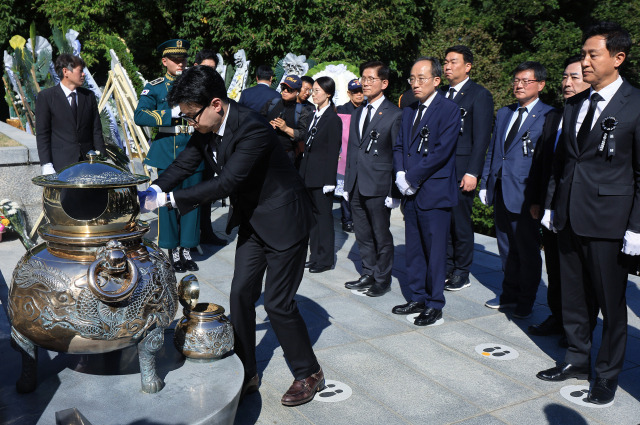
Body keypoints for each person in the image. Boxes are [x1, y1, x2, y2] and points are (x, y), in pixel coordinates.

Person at [138, 66, 324, 406]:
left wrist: (170, 199)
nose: (190, 123)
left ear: (216, 104)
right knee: (240, 294)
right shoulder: (206, 126)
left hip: (285, 220)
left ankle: (309, 372)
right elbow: (185, 162)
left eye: (192, 116)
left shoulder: (253, 128)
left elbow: (227, 183)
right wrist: (154, 188)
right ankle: (247, 370)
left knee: (278, 304)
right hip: (255, 220)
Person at [537, 22, 640, 405]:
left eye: (591, 55)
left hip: (610, 221)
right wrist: (550, 205)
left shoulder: (635, 104)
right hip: (567, 215)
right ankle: (577, 360)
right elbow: (562, 162)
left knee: (611, 306)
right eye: (583, 54)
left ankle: (607, 376)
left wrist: (636, 228)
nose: (584, 62)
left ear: (618, 58)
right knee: (574, 298)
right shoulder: (575, 103)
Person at [479, 61, 553, 319]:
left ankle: (526, 300)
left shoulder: (548, 116)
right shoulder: (504, 113)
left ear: (540, 85)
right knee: (506, 247)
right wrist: (486, 182)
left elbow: (546, 164)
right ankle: (508, 295)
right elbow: (494, 152)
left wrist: (539, 198)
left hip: (526, 196)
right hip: (501, 189)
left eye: (526, 81)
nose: (519, 85)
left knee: (527, 250)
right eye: (516, 81)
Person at [526, 55, 590, 344]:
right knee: (553, 264)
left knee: (579, 274)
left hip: (582, 207)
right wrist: (538, 200)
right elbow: (543, 162)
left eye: (574, 77)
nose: (567, 83)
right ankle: (557, 316)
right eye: (564, 77)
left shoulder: (595, 115)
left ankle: (578, 329)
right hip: (551, 205)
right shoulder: (555, 115)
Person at [392, 57, 460, 325]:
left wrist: (412, 177)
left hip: (434, 190)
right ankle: (417, 296)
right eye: (412, 78)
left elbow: (442, 151)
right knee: (415, 249)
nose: (415, 84)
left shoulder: (449, 109)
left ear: (436, 80)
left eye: (421, 78)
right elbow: (399, 146)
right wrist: (399, 174)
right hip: (410, 192)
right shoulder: (409, 109)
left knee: (434, 251)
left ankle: (434, 303)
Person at [134, 39, 201, 273]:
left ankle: (187, 249)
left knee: (192, 201)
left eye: (183, 58)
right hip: (167, 152)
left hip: (194, 147)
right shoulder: (156, 86)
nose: (180, 62)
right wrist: (169, 113)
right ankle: (172, 250)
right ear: (165, 61)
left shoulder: (195, 83)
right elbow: (139, 115)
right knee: (167, 203)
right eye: (175, 59)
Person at [343, 61, 402, 297]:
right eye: (363, 78)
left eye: (370, 79)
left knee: (381, 234)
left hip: (378, 184)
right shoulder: (358, 112)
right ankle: (368, 271)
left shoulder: (394, 114)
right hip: (356, 182)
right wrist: (347, 183)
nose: (364, 83)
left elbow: (397, 153)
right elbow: (351, 150)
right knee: (362, 233)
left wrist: (393, 191)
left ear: (384, 83)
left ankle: (382, 277)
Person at [440, 45, 494, 291]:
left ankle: (462, 270)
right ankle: (447, 265)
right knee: (443, 219)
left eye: (453, 62)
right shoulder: (440, 94)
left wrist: (473, 172)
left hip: (462, 169)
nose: (447, 67)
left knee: (460, 221)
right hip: (439, 169)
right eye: (445, 62)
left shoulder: (478, 94)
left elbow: (482, 137)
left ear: (468, 66)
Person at [299, 76, 342, 273]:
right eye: (312, 90)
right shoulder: (313, 115)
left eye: (317, 91)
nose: (312, 94)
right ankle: (314, 255)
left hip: (322, 177)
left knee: (323, 219)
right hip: (308, 174)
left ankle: (325, 259)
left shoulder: (333, 119)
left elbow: (333, 151)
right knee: (312, 220)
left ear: (328, 93)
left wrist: (329, 180)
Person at [36, 53, 105, 174]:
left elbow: (96, 130)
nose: (83, 74)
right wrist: (46, 164)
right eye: (80, 71)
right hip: (61, 164)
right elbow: (43, 134)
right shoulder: (46, 97)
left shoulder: (88, 96)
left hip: (88, 163)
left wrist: (102, 158)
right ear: (66, 71)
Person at [193, 49, 228, 247]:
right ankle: (186, 238)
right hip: (188, 146)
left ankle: (206, 232)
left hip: (208, 145)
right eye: (207, 68)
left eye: (213, 69)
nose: (210, 72)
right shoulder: (189, 85)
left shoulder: (216, 87)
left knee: (206, 192)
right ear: (197, 66)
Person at [260, 74, 311, 165]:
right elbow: (258, 121)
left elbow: (303, 134)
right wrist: (268, 125)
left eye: (289, 89)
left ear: (297, 92)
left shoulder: (302, 111)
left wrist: (286, 129)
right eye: (283, 87)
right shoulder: (272, 103)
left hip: (286, 155)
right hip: (265, 150)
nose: (285, 91)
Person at [336, 78, 364, 233]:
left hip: (362, 157)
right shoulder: (341, 110)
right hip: (345, 157)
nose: (359, 95)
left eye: (360, 91)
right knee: (345, 188)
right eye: (355, 92)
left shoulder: (367, 108)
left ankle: (359, 218)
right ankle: (347, 219)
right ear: (349, 93)